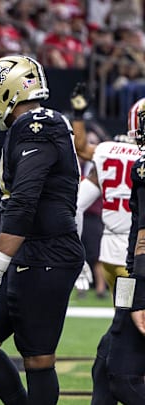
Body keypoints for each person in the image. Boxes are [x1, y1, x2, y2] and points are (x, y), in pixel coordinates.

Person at [0, 55, 84, 405]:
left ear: (7, 91)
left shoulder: (39, 124)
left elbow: (25, 202)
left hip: (47, 252)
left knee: (37, 357)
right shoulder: (32, 126)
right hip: (28, 249)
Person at [71, 86, 145, 404]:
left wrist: (78, 118)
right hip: (132, 260)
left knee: (118, 352)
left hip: (120, 259)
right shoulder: (138, 163)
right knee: (117, 339)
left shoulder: (107, 152)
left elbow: (75, 201)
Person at [98, 97, 145, 405]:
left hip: (139, 276)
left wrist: (139, 296)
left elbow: (143, 235)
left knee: (122, 376)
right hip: (131, 273)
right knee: (104, 362)